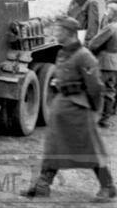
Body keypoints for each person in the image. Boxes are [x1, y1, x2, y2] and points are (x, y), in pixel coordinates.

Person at [21, 16, 115, 202]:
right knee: (53, 147)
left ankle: (108, 186)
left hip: (79, 109)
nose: (55, 33)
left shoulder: (84, 55)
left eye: (59, 30)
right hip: (62, 106)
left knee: (90, 149)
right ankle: (42, 186)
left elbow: (95, 88)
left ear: (69, 33)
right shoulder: (62, 52)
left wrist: (94, 110)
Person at [88, 2, 117, 128]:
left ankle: (86, 117)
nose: (106, 13)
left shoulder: (110, 28)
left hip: (104, 62)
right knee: (110, 91)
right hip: (115, 64)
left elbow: (93, 44)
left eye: (108, 11)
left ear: (113, 14)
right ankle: (105, 119)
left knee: (92, 88)